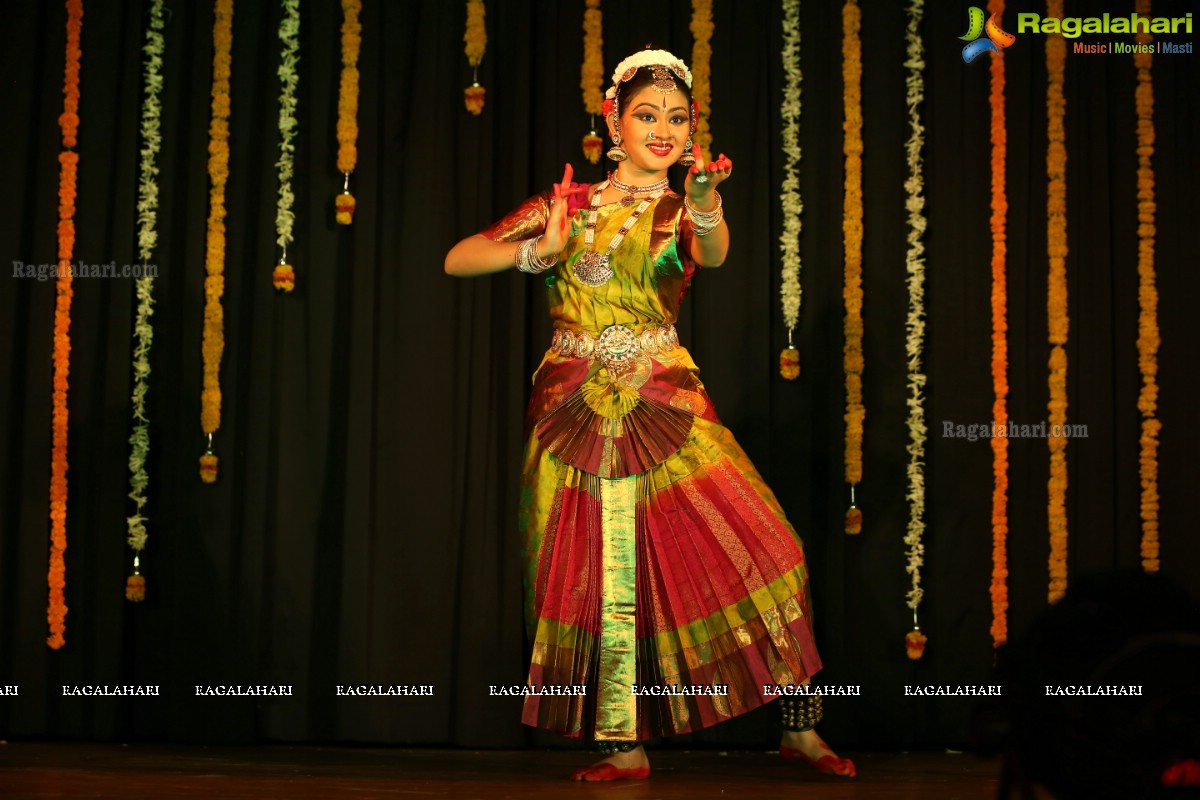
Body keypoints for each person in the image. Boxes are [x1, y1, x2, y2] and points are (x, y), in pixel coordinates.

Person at [445, 48, 854, 782]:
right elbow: (459, 258)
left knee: (771, 549)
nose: (662, 129)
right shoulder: (566, 205)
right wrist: (540, 253)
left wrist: (703, 198)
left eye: (677, 118)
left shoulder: (681, 209)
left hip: (665, 398)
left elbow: (716, 254)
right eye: (646, 115)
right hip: (572, 407)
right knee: (590, 576)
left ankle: (798, 725)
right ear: (613, 122)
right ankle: (621, 747)